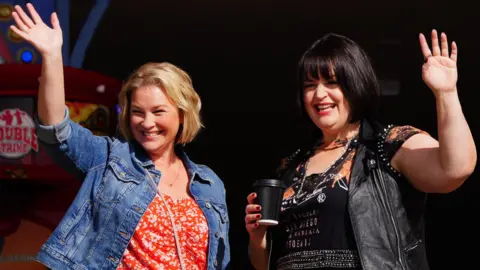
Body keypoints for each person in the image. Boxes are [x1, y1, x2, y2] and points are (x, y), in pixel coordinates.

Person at [10, 3, 230, 270]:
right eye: (138, 112)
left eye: (158, 111)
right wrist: (52, 56)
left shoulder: (209, 183)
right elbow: (57, 130)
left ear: (182, 114)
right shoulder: (110, 159)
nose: (147, 122)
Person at [245, 30, 476, 270]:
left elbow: (455, 169)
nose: (319, 94)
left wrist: (446, 93)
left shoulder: (386, 145)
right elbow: (266, 264)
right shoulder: (290, 166)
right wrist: (257, 236)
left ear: (355, 84)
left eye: (332, 82)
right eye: (310, 85)